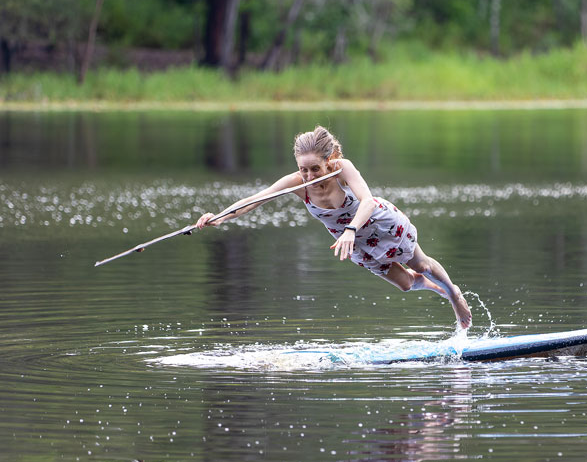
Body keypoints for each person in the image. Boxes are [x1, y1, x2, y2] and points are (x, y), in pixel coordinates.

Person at [196, 126, 472, 329]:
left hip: (379, 224)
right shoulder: (296, 183)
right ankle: (436, 289)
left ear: (330, 160)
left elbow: (367, 200)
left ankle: (453, 293)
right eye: (303, 170)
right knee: (406, 284)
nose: (309, 176)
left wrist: (350, 229)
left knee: (421, 265)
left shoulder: (343, 168)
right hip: (357, 244)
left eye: (315, 169)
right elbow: (254, 201)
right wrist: (220, 217)